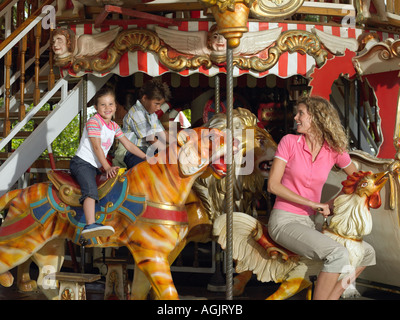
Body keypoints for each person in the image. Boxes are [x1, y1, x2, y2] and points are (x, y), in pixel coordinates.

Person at [267, 96, 375, 300]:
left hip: (310, 222)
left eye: (301, 113)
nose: (296, 117)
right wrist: (314, 204)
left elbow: (357, 180)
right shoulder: (289, 142)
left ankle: (331, 297)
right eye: (297, 112)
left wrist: (332, 203)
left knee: (367, 253)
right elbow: (273, 185)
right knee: (338, 253)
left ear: (316, 118)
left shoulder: (333, 150)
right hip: (284, 220)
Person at [70, 87, 146, 239]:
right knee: (90, 188)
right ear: (96, 107)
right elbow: (96, 147)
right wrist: (107, 167)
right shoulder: (94, 122)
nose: (107, 108)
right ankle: (90, 224)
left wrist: (146, 158)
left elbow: (129, 145)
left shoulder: (114, 126)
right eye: (103, 105)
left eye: (110, 104)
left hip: (96, 165)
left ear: (115, 107)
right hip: (83, 163)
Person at [113, 79, 172, 169]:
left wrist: (179, 143)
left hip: (145, 150)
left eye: (160, 104)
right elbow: (151, 139)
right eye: (156, 104)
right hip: (129, 152)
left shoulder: (152, 115)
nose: (158, 107)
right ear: (144, 98)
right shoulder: (137, 113)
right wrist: (170, 152)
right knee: (149, 169)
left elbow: (163, 134)